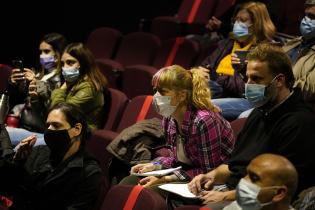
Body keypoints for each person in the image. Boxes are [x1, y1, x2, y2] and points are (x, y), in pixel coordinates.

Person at [188, 44, 315, 209]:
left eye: (256, 79)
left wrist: (225, 195)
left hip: (261, 200)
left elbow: (282, 189)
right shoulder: (259, 112)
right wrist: (209, 176)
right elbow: (234, 165)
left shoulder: (300, 122)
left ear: (279, 81)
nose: (248, 85)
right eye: (247, 78)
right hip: (232, 189)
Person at [120, 65, 235, 191]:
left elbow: (209, 170)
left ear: (182, 96)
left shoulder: (204, 120)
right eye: (155, 90)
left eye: (162, 92)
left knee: (149, 191)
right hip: (188, 173)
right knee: (129, 181)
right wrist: (153, 166)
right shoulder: (169, 118)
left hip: (214, 182)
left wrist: (167, 179)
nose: (156, 96)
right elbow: (175, 160)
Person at [0, 103, 102, 210]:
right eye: (47, 125)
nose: (49, 130)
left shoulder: (89, 172)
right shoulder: (39, 151)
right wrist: (16, 162)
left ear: (76, 129)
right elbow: (7, 189)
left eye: (56, 125)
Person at [8, 42, 109, 146]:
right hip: (55, 131)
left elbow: (60, 113)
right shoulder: (73, 82)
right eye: (63, 63)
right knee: (5, 134)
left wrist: (61, 88)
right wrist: (35, 98)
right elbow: (48, 114)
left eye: (70, 62)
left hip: (73, 139)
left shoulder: (89, 88)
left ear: (83, 64)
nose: (65, 68)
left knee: (19, 148)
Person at [200, 1, 276, 121]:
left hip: (246, 100)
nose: (236, 24)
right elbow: (206, 64)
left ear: (256, 24)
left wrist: (218, 77)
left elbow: (251, 90)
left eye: (242, 21)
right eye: (236, 20)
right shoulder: (229, 42)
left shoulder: (265, 49)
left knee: (203, 107)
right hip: (217, 89)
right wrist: (199, 71)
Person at [6, 33, 68, 145]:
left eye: (47, 51)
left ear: (58, 53)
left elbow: (52, 108)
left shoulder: (62, 80)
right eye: (41, 52)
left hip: (39, 130)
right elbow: (17, 100)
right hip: (24, 126)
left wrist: (36, 83)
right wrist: (14, 84)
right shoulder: (40, 74)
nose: (42, 56)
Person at [223, 154, 298, 210]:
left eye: (254, 178)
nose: (244, 181)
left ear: (279, 193)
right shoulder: (238, 207)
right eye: (247, 174)